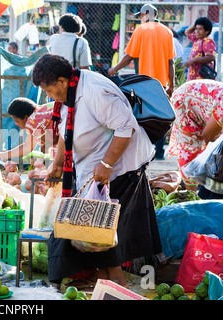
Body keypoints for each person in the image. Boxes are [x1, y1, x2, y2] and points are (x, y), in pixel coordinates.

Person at [34, 53, 160, 288]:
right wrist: (58, 164)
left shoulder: (95, 91)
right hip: (94, 169)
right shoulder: (68, 93)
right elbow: (66, 132)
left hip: (121, 167)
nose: (49, 96)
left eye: (49, 91)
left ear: (62, 81)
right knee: (95, 228)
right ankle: (103, 277)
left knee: (104, 228)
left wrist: (107, 164)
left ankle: (116, 281)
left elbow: (126, 127)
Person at [108, 3, 176, 161]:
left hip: (143, 83)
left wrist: (114, 69)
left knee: (141, 116)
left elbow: (129, 56)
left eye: (140, 15)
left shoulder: (140, 30)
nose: (139, 18)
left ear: (146, 14)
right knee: (160, 116)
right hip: (161, 83)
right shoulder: (167, 32)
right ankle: (158, 154)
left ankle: (143, 152)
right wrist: (171, 85)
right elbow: (170, 62)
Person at [168, 80, 223, 199]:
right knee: (190, 150)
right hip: (186, 101)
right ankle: (191, 198)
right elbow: (208, 135)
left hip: (207, 106)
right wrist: (213, 160)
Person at [183, 17, 216, 81]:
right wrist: (197, 22)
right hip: (193, 77)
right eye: (196, 29)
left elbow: (211, 57)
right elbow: (187, 32)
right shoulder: (196, 39)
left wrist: (193, 60)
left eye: (200, 29)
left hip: (202, 78)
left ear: (207, 31)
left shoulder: (208, 41)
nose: (197, 31)